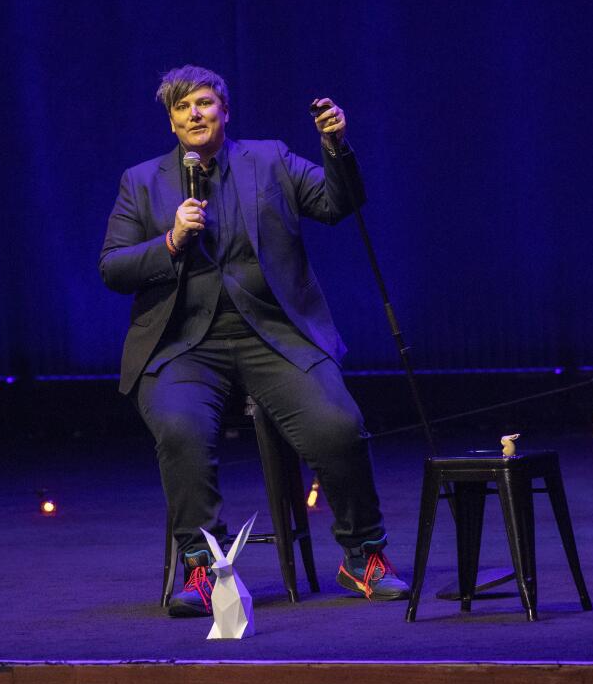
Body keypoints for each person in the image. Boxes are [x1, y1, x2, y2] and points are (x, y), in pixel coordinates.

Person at [99, 65, 408, 617]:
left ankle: (363, 556)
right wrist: (170, 240)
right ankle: (202, 568)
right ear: (171, 123)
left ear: (224, 111)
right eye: (182, 108)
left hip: (274, 335)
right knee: (180, 429)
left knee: (338, 425)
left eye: (204, 103)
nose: (194, 114)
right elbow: (113, 268)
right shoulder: (141, 181)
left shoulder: (269, 160)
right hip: (183, 345)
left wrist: (335, 147)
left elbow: (339, 206)